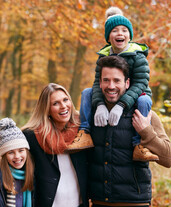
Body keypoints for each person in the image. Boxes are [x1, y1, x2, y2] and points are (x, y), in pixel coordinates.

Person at [0, 83, 90, 207]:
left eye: (65, 100)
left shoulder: (82, 131)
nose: (63, 106)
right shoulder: (33, 136)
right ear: (46, 109)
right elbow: (9, 159)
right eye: (55, 103)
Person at [88, 55, 171, 207]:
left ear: (127, 83)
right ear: (100, 83)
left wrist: (146, 131)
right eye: (106, 80)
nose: (111, 86)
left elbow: (168, 159)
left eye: (117, 80)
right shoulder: (91, 114)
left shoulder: (144, 114)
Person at [67, 7, 158, 162]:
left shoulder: (138, 56)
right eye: (115, 30)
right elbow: (97, 83)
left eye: (124, 30)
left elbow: (141, 83)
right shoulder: (103, 57)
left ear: (130, 35)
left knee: (145, 101)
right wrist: (100, 104)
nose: (120, 33)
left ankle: (139, 145)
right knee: (87, 92)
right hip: (110, 95)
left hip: (137, 93)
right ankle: (85, 132)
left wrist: (121, 105)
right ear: (108, 36)